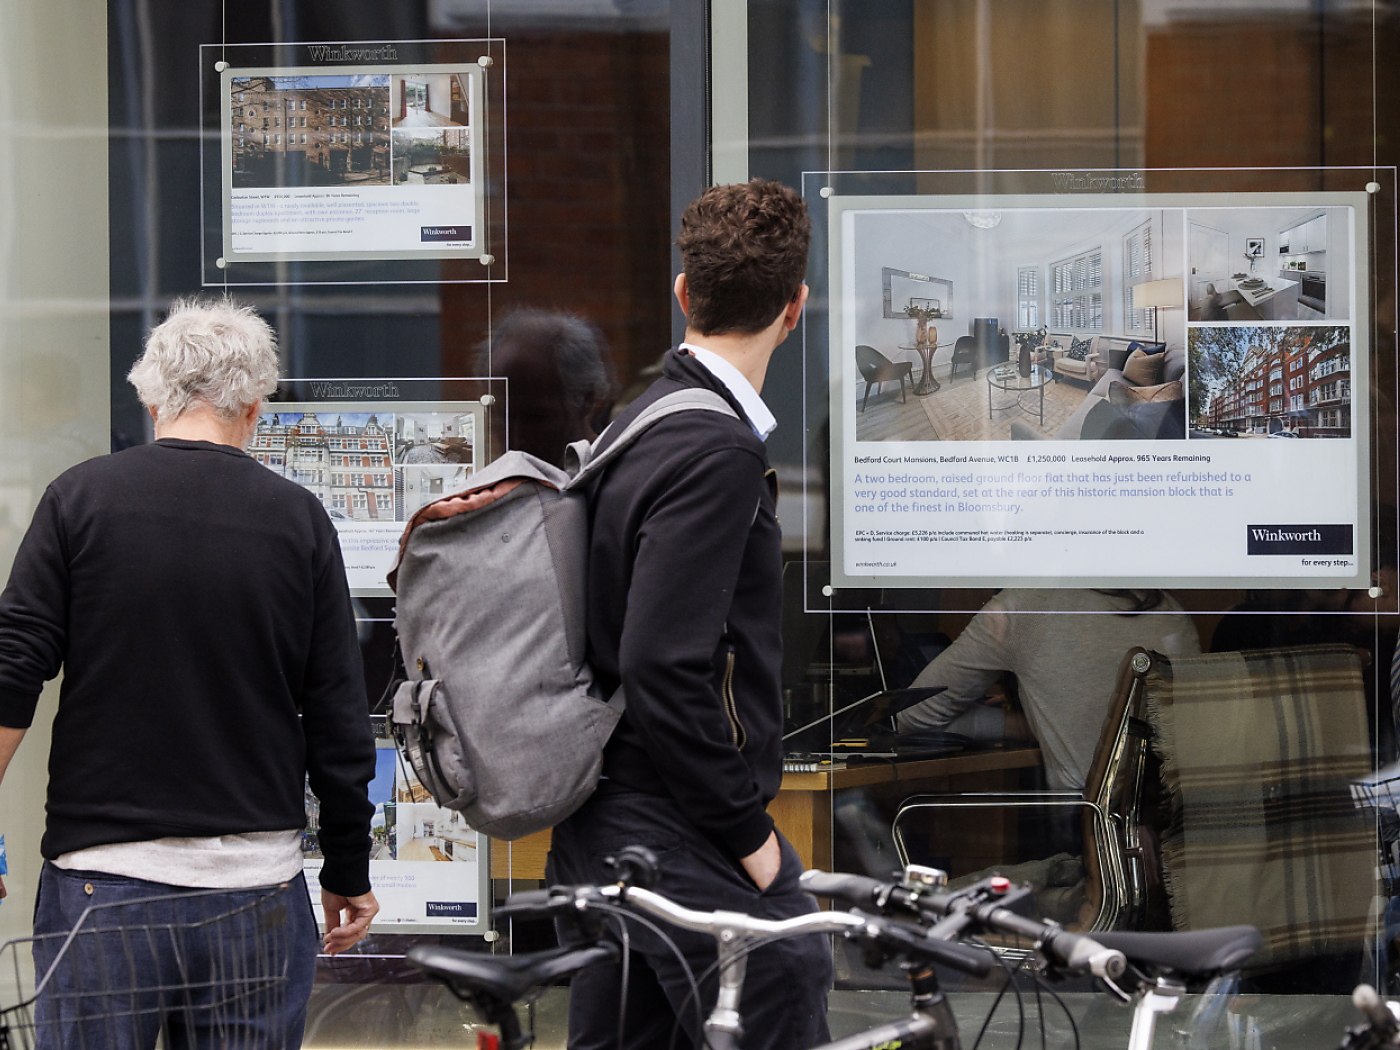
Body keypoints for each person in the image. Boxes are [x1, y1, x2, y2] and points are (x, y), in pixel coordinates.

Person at [0, 299, 379, 1048]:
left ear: (150, 399)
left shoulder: (78, 501)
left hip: (100, 886)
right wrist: (347, 866)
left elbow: (13, 670)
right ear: (254, 406)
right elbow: (337, 714)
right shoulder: (297, 520)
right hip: (253, 895)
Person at [546, 179, 831, 1049]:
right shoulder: (714, 451)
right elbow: (664, 666)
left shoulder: (644, 424)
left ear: (683, 294)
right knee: (788, 980)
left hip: (609, 827)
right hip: (675, 830)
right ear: (796, 306)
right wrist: (758, 846)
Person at [897, 589, 1202, 792]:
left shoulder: (1024, 604)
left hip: (1087, 836)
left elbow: (912, 716)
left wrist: (1019, 725)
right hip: (1176, 839)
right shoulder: (1170, 611)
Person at [474, 307, 617, 468]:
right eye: (501, 417)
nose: (514, 441)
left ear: (585, 400)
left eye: (534, 419)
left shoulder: (615, 481)